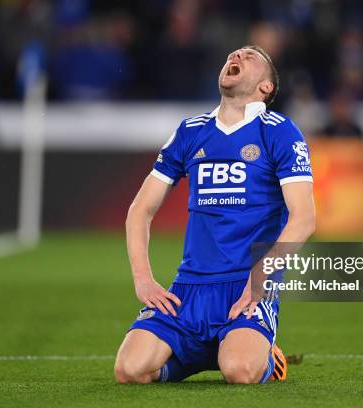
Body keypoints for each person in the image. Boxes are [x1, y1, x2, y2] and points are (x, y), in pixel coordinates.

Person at [115, 46, 316, 384]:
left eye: (249, 57)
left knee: (240, 371)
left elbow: (304, 218)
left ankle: (265, 357)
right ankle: (205, 353)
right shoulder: (191, 131)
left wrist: (258, 280)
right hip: (189, 289)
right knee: (129, 371)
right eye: (232, 55)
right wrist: (143, 279)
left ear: (266, 87)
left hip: (247, 285)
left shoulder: (279, 131)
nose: (235, 57)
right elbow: (140, 211)